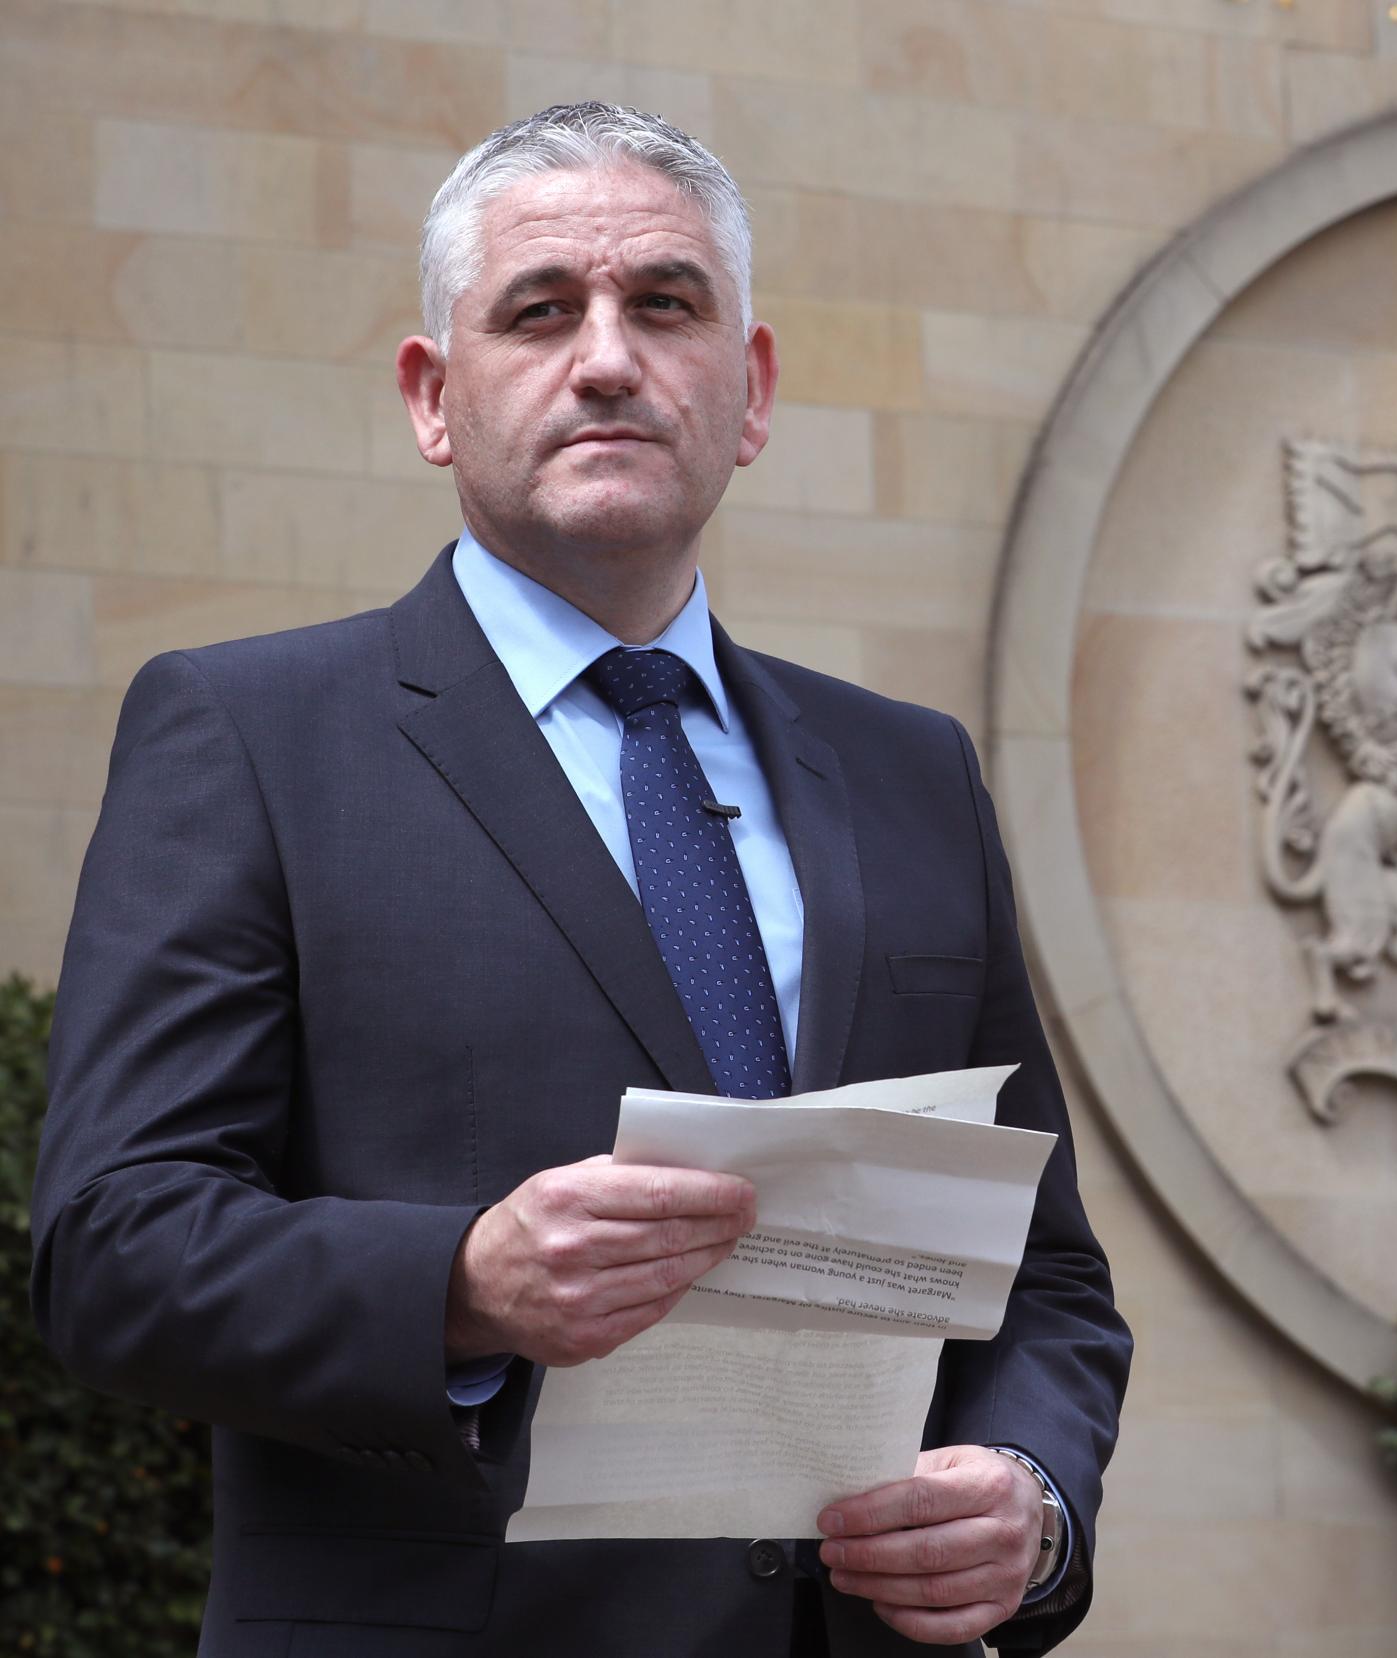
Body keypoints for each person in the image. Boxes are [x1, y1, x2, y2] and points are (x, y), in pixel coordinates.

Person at [30, 102, 1130, 1658]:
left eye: (664, 304)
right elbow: (110, 1244)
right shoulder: (250, 736)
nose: (606, 357)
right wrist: (458, 1282)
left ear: (747, 392)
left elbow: (1046, 1274)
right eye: (539, 309)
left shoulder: (911, 773)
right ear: (433, 396)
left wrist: (1031, 1496)